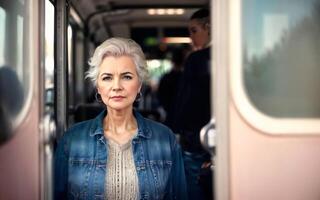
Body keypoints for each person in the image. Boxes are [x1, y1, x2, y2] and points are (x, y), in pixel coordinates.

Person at [54, 37, 187, 200]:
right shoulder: (72, 140)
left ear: (139, 85)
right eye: (107, 78)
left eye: (127, 77)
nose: (116, 86)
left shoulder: (165, 139)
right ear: (98, 86)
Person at [171, 8, 213, 200]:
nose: (191, 37)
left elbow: (185, 102)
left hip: (196, 139)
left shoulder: (196, 60)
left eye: (194, 31)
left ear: (209, 27)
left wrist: (177, 130)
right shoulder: (236, 57)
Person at [157, 47, 187, 127]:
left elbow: (160, 97)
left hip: (169, 116)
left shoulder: (166, 78)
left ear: (172, 61)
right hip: (183, 117)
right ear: (183, 62)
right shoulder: (185, 78)